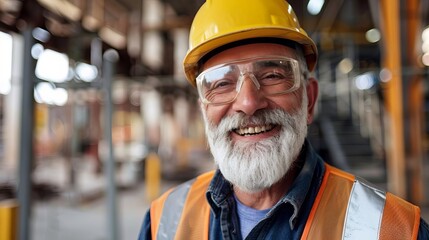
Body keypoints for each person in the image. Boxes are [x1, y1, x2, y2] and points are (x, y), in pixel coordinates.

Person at [138, 0, 429, 239]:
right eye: (222, 83)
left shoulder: (394, 230)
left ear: (310, 100)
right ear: (204, 109)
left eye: (273, 75)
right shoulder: (163, 220)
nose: (249, 103)